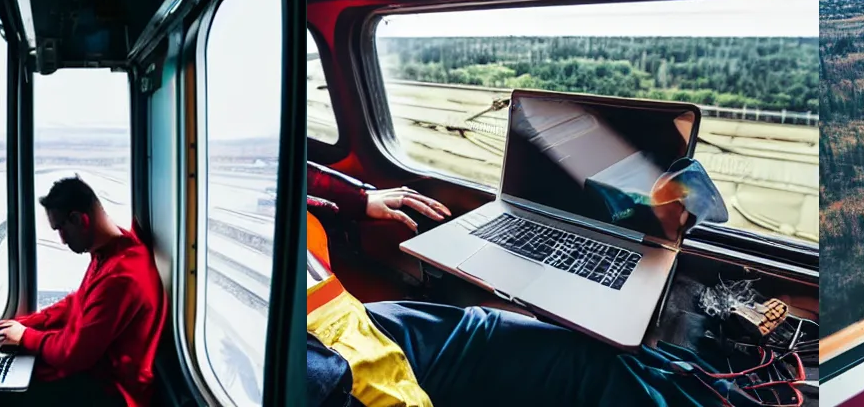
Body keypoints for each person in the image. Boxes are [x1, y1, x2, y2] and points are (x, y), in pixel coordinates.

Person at [308, 163, 759, 407]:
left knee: (585, 358)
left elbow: (265, 166)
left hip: (334, 315)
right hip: (309, 361)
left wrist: (354, 196)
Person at [0, 176, 167, 406]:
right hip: (97, 371)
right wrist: (26, 323)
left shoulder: (121, 277)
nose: (62, 240)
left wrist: (25, 337)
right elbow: (79, 302)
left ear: (78, 219)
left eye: (61, 230)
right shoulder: (111, 250)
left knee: (4, 396)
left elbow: (75, 354)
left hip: (113, 391)